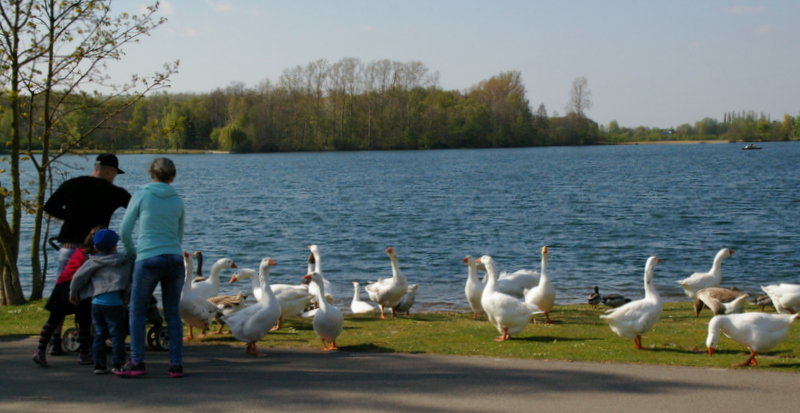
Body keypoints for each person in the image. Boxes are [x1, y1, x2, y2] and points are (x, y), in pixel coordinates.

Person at [43, 153, 131, 355]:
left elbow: (49, 206)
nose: (114, 177)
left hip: (68, 247)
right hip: (95, 251)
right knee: (95, 293)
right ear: (109, 170)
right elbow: (135, 208)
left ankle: (54, 340)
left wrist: (70, 217)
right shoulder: (114, 192)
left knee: (62, 293)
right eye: (114, 173)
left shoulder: (72, 184)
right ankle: (92, 339)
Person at [119, 158, 185, 378]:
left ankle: (137, 361)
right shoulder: (177, 199)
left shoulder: (142, 194)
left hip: (148, 258)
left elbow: (125, 231)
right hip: (174, 258)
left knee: (137, 311)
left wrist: (132, 253)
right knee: (173, 313)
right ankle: (175, 364)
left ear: (151, 173)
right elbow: (179, 235)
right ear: (172, 177)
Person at [32, 226, 104, 367]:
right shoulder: (93, 259)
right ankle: (84, 354)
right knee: (84, 321)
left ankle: (40, 350)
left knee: (53, 320)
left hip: (61, 286)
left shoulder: (79, 252)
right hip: (78, 290)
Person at [69, 229, 134, 375]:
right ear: (115, 245)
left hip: (97, 303)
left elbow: (78, 278)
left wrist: (73, 293)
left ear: (96, 247)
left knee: (99, 334)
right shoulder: (123, 261)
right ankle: (118, 363)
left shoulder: (93, 261)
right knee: (117, 335)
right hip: (115, 304)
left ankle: (99, 364)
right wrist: (125, 295)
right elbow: (127, 281)